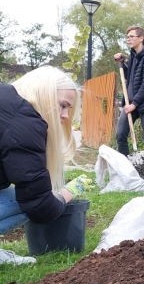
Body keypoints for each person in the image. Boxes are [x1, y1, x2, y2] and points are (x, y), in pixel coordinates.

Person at [0, 66, 92, 265]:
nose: (66, 115)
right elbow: (39, 206)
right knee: (22, 202)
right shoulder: (24, 120)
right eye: (62, 105)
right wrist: (68, 192)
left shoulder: (6, 101)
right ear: (45, 96)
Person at [114, 26, 144, 182]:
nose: (128, 39)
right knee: (120, 135)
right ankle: (126, 169)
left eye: (131, 36)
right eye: (127, 37)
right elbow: (132, 77)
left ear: (141, 38)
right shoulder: (134, 55)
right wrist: (123, 64)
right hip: (131, 102)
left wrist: (134, 104)